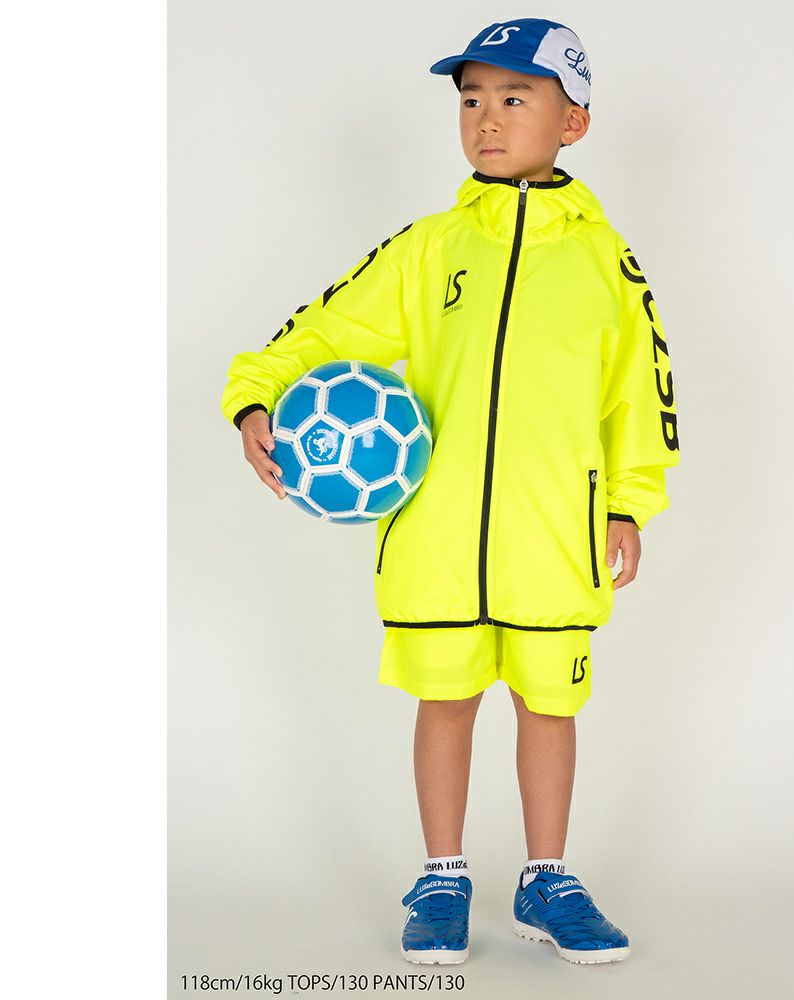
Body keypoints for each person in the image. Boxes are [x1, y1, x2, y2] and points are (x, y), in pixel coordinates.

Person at [220, 17, 680, 966]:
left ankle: (547, 879)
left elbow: (641, 391)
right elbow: (319, 327)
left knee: (549, 704)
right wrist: (254, 395)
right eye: (471, 99)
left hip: (555, 536)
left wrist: (628, 501)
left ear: (573, 123)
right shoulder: (427, 250)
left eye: (515, 97)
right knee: (446, 698)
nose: (487, 118)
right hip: (435, 540)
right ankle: (441, 875)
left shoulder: (607, 261)